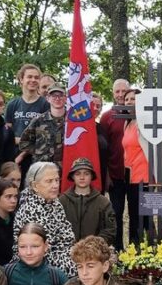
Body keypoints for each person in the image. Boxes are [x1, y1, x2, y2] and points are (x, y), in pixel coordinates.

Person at [13, 162, 76, 277]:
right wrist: (73, 261)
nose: (55, 185)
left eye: (57, 180)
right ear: (35, 186)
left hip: (61, 256)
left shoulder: (55, 203)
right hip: (37, 266)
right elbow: (41, 253)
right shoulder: (31, 209)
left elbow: (67, 236)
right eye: (49, 181)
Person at [98, 79, 130, 251]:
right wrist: (108, 175)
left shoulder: (138, 114)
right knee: (116, 213)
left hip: (135, 175)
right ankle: (118, 248)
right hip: (115, 174)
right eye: (117, 91)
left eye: (123, 91)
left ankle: (136, 247)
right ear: (113, 93)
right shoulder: (107, 116)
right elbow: (104, 147)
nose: (120, 95)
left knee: (137, 213)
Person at [59, 158, 117, 245]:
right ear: (72, 176)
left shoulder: (103, 202)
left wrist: (93, 245)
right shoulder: (62, 201)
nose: (82, 177)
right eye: (78, 174)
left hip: (95, 253)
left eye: (86, 174)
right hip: (66, 252)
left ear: (92, 176)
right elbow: (56, 228)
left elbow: (110, 230)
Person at [121, 88, 151, 243]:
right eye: (127, 99)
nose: (129, 102)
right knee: (134, 216)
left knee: (145, 219)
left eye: (133, 99)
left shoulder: (145, 122)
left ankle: (149, 253)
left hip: (144, 177)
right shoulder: (128, 122)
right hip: (131, 176)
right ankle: (134, 252)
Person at [17, 86, 67, 167]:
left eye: (61, 95)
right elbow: (24, 143)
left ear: (66, 98)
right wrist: (40, 151)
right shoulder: (38, 120)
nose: (57, 98)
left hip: (66, 169)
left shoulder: (73, 122)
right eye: (53, 96)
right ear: (48, 98)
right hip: (42, 169)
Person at [5, 64, 49, 143]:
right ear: (21, 79)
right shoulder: (12, 104)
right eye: (29, 77)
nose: (33, 80)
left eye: (36, 78)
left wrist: (24, 141)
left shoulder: (46, 104)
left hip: (37, 152)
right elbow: (7, 134)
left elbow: (47, 134)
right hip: (14, 152)